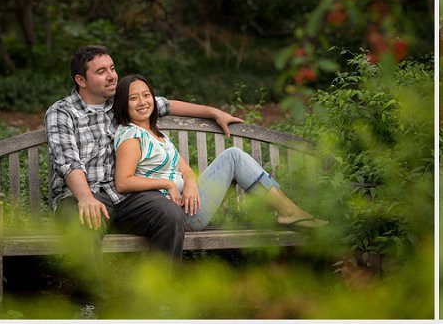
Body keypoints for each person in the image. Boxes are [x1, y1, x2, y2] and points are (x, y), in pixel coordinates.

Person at [44, 45, 244, 316]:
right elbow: (68, 161)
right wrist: (85, 197)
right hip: (83, 195)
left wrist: (212, 112)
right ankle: (88, 304)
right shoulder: (62, 113)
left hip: (126, 197)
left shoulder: (120, 103)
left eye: (112, 68)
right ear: (81, 80)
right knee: (82, 219)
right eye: (101, 71)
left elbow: (167, 104)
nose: (112, 76)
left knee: (170, 213)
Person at [112, 74, 327, 232]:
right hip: (180, 216)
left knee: (233, 155)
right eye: (133, 98)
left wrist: (191, 182)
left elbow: (184, 167)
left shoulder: (153, 133)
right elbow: (123, 181)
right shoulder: (132, 137)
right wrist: (168, 184)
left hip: (189, 202)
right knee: (233, 156)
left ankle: (289, 212)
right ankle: (289, 212)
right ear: (124, 104)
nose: (142, 102)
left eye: (146, 95)